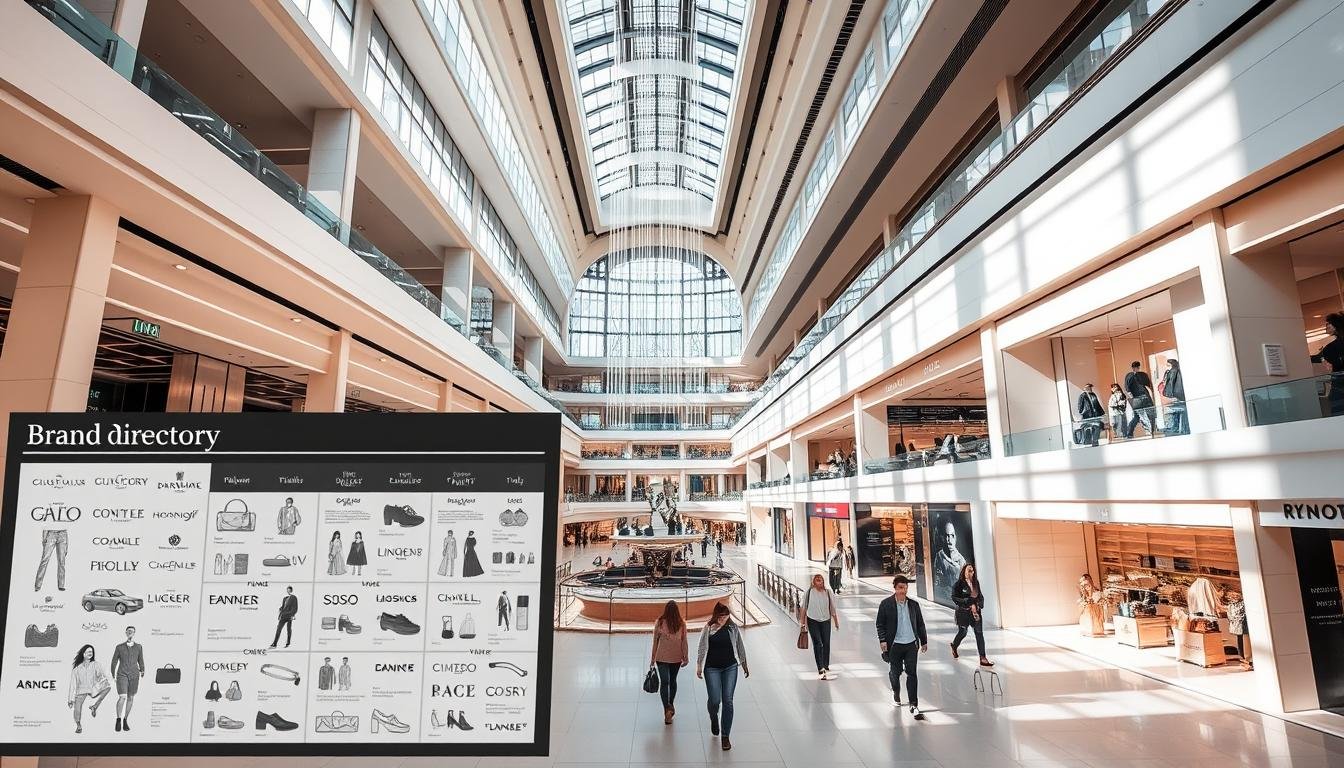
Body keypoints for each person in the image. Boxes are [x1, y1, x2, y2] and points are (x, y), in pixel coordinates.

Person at [696, 603, 748, 751]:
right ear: (715, 615)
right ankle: (713, 717)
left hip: (730, 667)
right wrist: (699, 665)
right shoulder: (708, 628)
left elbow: (739, 646)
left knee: (728, 701)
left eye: (725, 616)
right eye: (720, 616)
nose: (722, 619)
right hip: (711, 668)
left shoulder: (733, 628)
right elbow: (701, 647)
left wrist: (744, 663)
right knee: (714, 700)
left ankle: (725, 736)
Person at [876, 576, 927, 719]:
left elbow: (920, 624)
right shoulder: (886, 604)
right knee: (895, 672)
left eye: (905, 587)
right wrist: (883, 640)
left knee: (912, 674)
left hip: (911, 644)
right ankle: (896, 693)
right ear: (894, 588)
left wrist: (923, 641)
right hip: (895, 645)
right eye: (900, 588)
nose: (903, 591)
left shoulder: (913, 605)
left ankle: (913, 704)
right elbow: (880, 624)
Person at [650, 600, 689, 724]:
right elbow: (684, 642)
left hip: (664, 657)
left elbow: (655, 642)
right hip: (671, 657)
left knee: (667, 682)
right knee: (670, 681)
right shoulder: (679, 623)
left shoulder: (663, 623)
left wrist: (652, 659)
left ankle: (668, 706)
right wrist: (685, 656)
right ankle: (669, 707)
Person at [950, 564, 993, 667]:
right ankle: (954, 645)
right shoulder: (958, 584)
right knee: (963, 632)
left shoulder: (976, 583)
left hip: (976, 613)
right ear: (964, 571)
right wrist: (967, 602)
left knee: (979, 633)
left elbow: (980, 596)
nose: (971, 573)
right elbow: (954, 597)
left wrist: (979, 604)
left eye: (972, 571)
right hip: (963, 613)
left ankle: (983, 657)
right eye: (969, 570)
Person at [801, 573, 839, 678]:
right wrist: (802, 623)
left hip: (826, 620)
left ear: (823, 581)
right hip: (812, 620)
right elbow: (803, 608)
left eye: (820, 578)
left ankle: (825, 664)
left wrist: (836, 621)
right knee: (818, 643)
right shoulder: (808, 592)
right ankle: (820, 667)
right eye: (816, 579)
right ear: (813, 582)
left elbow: (833, 608)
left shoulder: (828, 592)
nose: (818, 580)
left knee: (826, 643)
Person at [68, 644, 110, 734]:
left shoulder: (96, 664)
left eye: (91, 651)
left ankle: (95, 706)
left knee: (108, 687)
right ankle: (78, 725)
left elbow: (101, 675)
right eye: (88, 651)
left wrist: (103, 679)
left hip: (92, 689)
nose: (90, 653)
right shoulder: (76, 669)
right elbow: (73, 685)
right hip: (81, 690)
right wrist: (70, 699)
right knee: (77, 708)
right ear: (83, 654)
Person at [109, 625, 144, 733]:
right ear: (125, 632)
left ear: (134, 633)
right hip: (122, 674)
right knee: (122, 697)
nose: (130, 632)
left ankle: (125, 720)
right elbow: (114, 661)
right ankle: (118, 719)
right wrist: (113, 673)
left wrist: (142, 670)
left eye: (132, 631)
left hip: (134, 675)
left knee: (130, 698)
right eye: (128, 631)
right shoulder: (119, 647)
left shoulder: (139, 647)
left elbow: (141, 660)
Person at [1312, 312, 1344, 415]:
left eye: (1328, 324)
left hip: (1340, 387)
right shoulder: (1332, 347)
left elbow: (1318, 358)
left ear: (1335, 326)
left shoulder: (1331, 347)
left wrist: (1322, 359)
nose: (1326, 326)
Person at [932, 520, 966, 602]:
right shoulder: (939, 556)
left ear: (956, 537)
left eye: (952, 536)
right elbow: (938, 580)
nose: (949, 540)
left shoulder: (961, 560)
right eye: (946, 536)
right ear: (942, 537)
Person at [1124, 361, 1157, 437]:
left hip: (1138, 398)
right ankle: (1151, 431)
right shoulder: (1141, 375)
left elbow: (1127, 388)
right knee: (1148, 414)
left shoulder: (1131, 375)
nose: (1136, 368)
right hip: (1142, 397)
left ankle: (1130, 433)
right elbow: (1148, 386)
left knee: (1137, 416)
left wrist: (1131, 397)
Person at [1161, 359, 1188, 435]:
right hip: (1180, 393)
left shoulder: (1172, 371)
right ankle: (1180, 427)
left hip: (1176, 394)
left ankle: (1174, 427)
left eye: (1168, 364)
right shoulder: (1177, 370)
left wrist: (1168, 394)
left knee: (1171, 409)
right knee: (1179, 409)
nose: (1166, 366)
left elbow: (1170, 383)